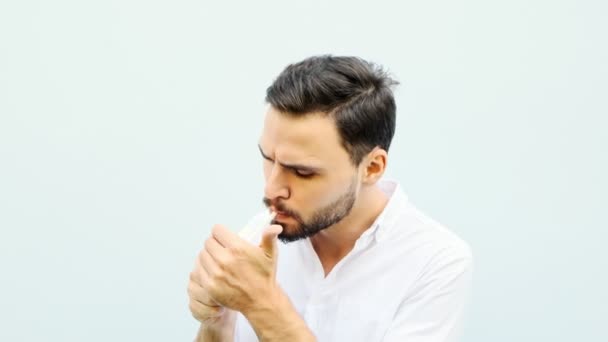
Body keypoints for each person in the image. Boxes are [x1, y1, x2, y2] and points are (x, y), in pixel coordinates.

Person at [187, 55, 473, 342]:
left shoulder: (436, 262)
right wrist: (216, 322)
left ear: (372, 167)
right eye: (268, 159)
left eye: (301, 171)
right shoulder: (257, 236)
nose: (272, 190)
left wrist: (263, 303)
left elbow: (262, 304)